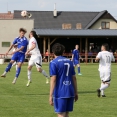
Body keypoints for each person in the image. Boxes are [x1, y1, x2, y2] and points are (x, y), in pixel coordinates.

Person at [49, 43, 78, 117]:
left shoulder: (53, 63)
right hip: (70, 91)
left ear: (53, 52)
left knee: (61, 114)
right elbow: (74, 78)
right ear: (63, 51)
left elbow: (53, 79)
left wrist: (50, 95)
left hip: (60, 92)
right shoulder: (70, 62)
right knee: (66, 113)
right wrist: (76, 92)